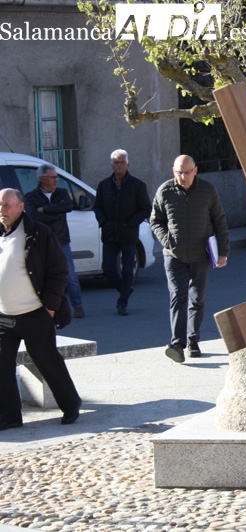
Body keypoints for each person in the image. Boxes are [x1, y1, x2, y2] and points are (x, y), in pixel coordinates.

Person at [0, 188, 82, 430]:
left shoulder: (37, 233)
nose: (1, 209)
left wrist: (50, 307)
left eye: (6, 205)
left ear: (21, 207)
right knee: (1, 366)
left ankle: (70, 405)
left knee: (47, 360)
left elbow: (59, 270)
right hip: (4, 315)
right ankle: (10, 416)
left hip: (35, 312)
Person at [150, 155, 230, 363]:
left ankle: (193, 340)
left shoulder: (207, 190)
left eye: (187, 172)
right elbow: (155, 220)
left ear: (195, 171)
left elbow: (219, 220)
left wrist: (223, 252)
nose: (183, 176)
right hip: (174, 256)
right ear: (173, 171)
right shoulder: (165, 191)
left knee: (197, 299)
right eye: (179, 172)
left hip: (201, 254)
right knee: (178, 296)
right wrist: (167, 241)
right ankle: (178, 343)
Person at [93, 149, 151, 316]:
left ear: (128, 164)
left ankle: (122, 302)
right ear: (112, 165)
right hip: (110, 234)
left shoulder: (137, 186)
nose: (119, 166)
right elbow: (97, 207)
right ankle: (125, 289)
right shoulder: (104, 185)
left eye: (122, 162)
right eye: (116, 163)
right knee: (108, 268)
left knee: (127, 270)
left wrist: (131, 223)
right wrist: (103, 221)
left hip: (128, 234)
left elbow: (145, 209)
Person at [23, 164, 85, 318]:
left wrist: (44, 209)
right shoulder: (31, 196)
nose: (56, 180)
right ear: (42, 179)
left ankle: (78, 306)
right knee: (43, 276)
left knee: (70, 275)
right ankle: (46, 308)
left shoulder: (62, 193)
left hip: (61, 240)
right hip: (41, 243)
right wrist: (55, 214)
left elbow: (68, 206)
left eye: (56, 177)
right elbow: (32, 216)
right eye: (53, 177)